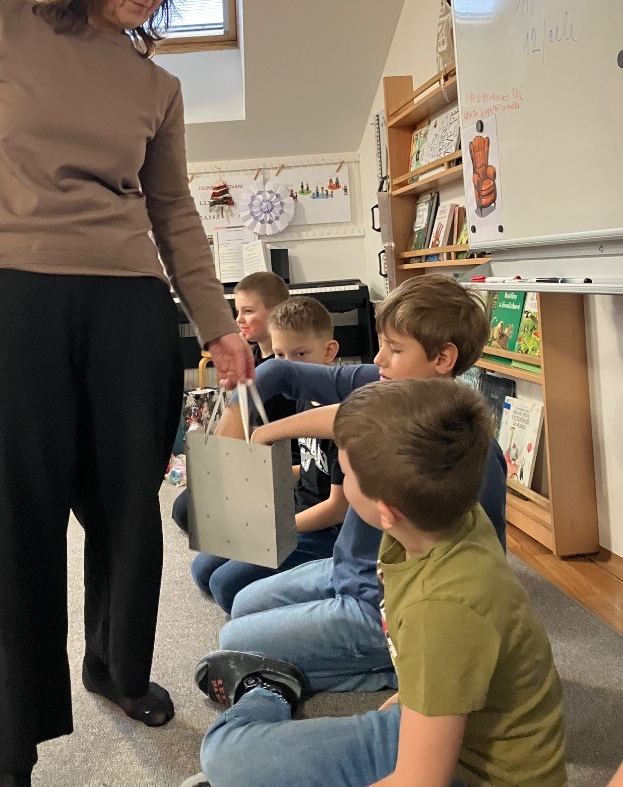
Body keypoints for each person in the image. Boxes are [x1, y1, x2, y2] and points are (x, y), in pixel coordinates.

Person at [0, 0, 253, 786]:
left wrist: (218, 325)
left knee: (128, 513)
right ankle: (6, 739)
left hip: (128, 307)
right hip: (5, 296)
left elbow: (174, 213)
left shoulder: (157, 87)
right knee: (5, 522)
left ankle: (117, 669)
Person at [191, 379, 567, 787]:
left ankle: (267, 692)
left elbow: (420, 782)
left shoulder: (442, 610)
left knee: (224, 755)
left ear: (385, 512)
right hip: (439, 720)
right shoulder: (443, 516)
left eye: (346, 472)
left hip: (466, 771)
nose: (340, 479)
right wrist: (412, 693)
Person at [217, 273, 507, 693]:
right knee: (242, 603)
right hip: (346, 569)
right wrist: (246, 417)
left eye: (394, 349)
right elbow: (289, 377)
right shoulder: (384, 384)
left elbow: (487, 561)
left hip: (384, 606)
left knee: (234, 640)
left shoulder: (467, 450)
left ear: (443, 358)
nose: (379, 359)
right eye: (382, 344)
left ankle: (394, 666)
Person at [190, 296, 345, 612]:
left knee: (224, 587)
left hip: (324, 531)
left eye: (300, 354)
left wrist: (279, 527)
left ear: (329, 351)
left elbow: (337, 508)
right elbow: (312, 467)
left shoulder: (342, 414)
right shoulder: (302, 397)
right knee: (203, 569)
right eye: (279, 356)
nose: (287, 366)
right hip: (296, 511)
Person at [171, 270, 292, 534]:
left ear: (277, 311)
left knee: (193, 511)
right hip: (250, 457)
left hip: (276, 464)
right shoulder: (252, 356)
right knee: (184, 508)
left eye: (248, 311)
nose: (239, 320)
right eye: (237, 312)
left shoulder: (285, 364)